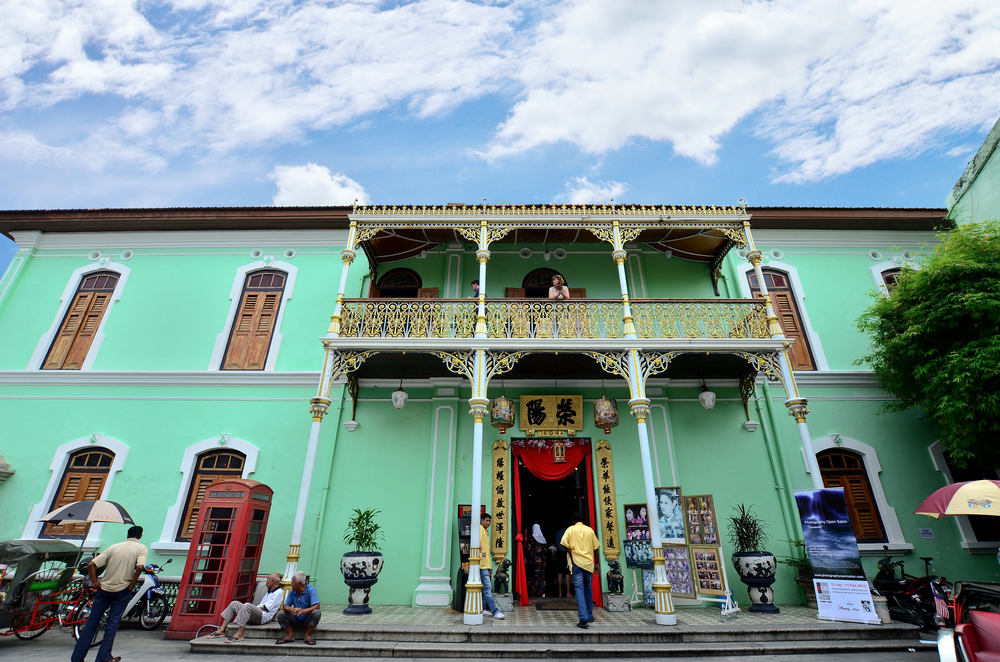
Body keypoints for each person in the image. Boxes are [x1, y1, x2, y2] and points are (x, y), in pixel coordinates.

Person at [71, 525, 148, 662]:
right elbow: (140, 566)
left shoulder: (114, 547)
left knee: (91, 623)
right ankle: (103, 657)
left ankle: (77, 657)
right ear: (140, 536)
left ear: (127, 534)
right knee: (112, 624)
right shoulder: (141, 548)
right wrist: (132, 584)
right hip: (122, 590)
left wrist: (95, 582)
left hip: (104, 589)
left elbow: (91, 565)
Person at [207, 572, 283, 642]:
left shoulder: (278, 592)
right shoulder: (270, 591)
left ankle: (240, 634)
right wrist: (244, 610)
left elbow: (265, 607)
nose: (266, 583)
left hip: (263, 616)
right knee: (234, 603)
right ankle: (222, 630)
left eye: (267, 580)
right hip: (258, 613)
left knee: (247, 606)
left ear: (272, 581)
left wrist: (244, 610)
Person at [560, 511, 600, 629]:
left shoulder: (570, 530)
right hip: (588, 563)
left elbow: (563, 543)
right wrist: (596, 563)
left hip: (577, 562)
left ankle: (583, 617)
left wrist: (571, 552)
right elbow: (596, 548)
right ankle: (590, 615)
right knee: (588, 588)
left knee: (579, 588)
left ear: (573, 520)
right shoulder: (589, 530)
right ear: (583, 520)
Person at [276, 571, 320, 645]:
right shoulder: (293, 591)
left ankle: (308, 635)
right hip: (295, 619)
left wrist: (303, 611)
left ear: (299, 584)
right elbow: (285, 606)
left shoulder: (310, 590)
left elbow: (317, 606)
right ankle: (290, 635)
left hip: (307, 620)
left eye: (292, 582)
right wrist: (291, 610)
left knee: (317, 613)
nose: (291, 584)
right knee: (281, 614)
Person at [478, 513, 505, 619]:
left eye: (489, 521)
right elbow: (477, 544)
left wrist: (490, 566)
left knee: (485, 588)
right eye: (486, 520)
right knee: (488, 588)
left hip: (486, 564)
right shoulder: (479, 529)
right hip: (481, 564)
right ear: (482, 520)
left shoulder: (485, 531)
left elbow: (486, 550)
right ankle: (495, 611)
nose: (488, 523)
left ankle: (483, 609)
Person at [526, 523, 547, 597]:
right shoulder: (543, 539)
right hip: (542, 563)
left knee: (532, 578)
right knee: (541, 578)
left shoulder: (531, 537)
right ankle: (542, 593)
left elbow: (527, 548)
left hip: (533, 562)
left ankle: (532, 593)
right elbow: (545, 551)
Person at [553, 521, 572, 598]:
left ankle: (560, 593)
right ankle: (568, 593)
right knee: (567, 573)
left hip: (558, 553)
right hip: (565, 553)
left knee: (560, 573)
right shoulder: (567, 533)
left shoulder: (557, 533)